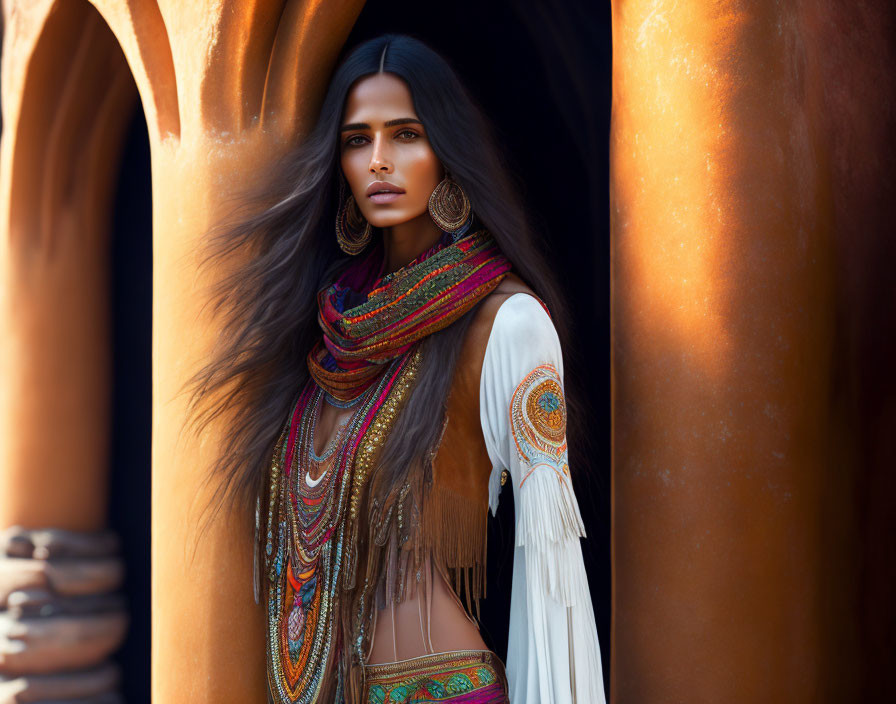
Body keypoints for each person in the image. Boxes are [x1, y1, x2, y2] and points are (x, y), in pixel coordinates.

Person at [190, 33, 605, 704]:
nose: (380, 161)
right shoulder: (329, 327)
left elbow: (552, 572)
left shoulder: (507, 323)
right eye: (358, 141)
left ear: (446, 150)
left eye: (406, 134)